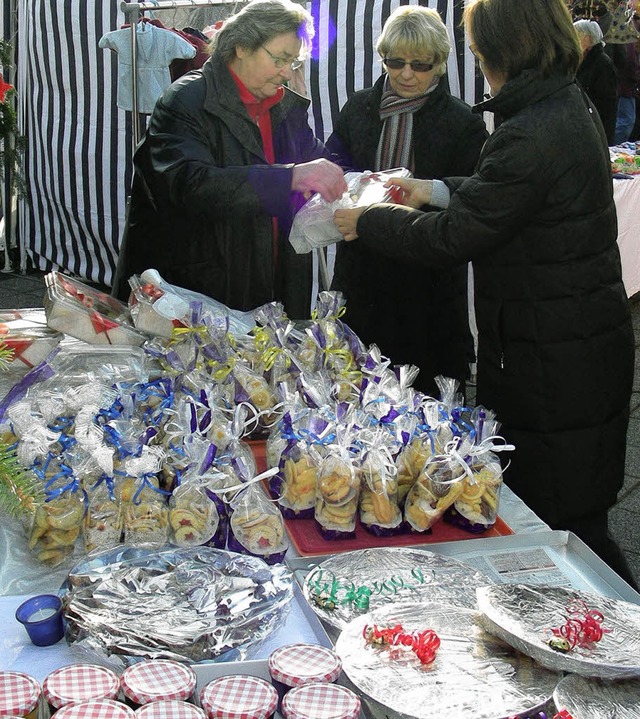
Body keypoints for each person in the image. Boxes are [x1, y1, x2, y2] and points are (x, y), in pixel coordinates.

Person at [334, 0, 637, 586]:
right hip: (568, 343)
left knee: (568, 529)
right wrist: (430, 188)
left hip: (551, 356)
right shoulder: (561, 105)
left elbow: (456, 237)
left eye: (476, 53)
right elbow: (497, 194)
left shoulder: (529, 130)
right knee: (572, 518)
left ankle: (614, 640)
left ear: (501, 52)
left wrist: (365, 221)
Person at [112, 0, 347, 319]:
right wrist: (289, 177)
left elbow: (317, 160)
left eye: (292, 61)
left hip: (273, 286)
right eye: (279, 59)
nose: (285, 72)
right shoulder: (186, 101)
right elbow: (190, 185)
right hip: (202, 290)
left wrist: (361, 182)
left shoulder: (284, 108)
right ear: (240, 46)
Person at [326, 6, 488, 397]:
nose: (406, 74)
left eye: (421, 64)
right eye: (395, 62)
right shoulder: (360, 107)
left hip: (427, 282)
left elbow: (475, 194)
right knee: (356, 392)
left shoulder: (462, 122)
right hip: (363, 271)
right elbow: (333, 164)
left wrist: (425, 192)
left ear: (441, 64)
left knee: (428, 399)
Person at [574, 19, 618, 143]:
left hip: (597, 127)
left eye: (578, 34)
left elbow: (606, 103)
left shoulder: (602, 64)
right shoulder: (582, 59)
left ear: (587, 38)